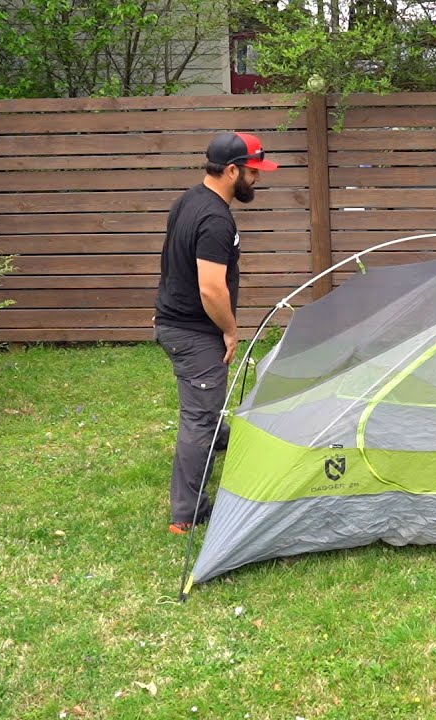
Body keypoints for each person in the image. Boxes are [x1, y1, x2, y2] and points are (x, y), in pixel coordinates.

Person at [154, 132, 278, 534]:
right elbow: (211, 287)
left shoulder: (189, 199)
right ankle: (186, 515)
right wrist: (229, 330)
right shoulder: (215, 220)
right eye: (252, 172)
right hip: (193, 331)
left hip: (174, 322)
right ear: (230, 170)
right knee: (198, 418)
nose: (257, 180)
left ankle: (221, 439)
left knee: (205, 400)